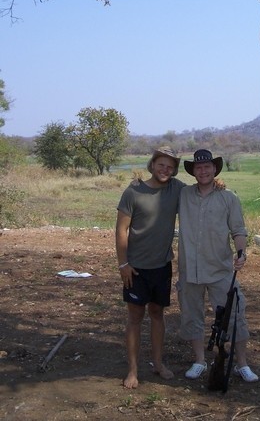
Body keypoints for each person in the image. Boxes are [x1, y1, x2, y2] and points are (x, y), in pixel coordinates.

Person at [177, 149, 258, 383]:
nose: (202, 171)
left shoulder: (228, 197)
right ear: (193, 171)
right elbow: (160, 185)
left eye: (207, 167)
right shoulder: (183, 195)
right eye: (198, 167)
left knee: (235, 315)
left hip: (221, 270)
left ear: (215, 169)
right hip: (189, 270)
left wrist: (242, 253)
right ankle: (199, 361)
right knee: (192, 316)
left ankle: (241, 364)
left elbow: (238, 230)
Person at [115, 146, 183, 389]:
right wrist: (123, 263)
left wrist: (218, 185)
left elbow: (201, 192)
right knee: (135, 317)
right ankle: (132, 370)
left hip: (161, 266)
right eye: (161, 165)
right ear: (152, 165)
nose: (165, 170)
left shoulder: (177, 189)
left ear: (174, 170)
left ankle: (157, 364)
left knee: (157, 314)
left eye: (170, 166)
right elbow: (121, 229)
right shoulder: (133, 191)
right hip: (135, 268)